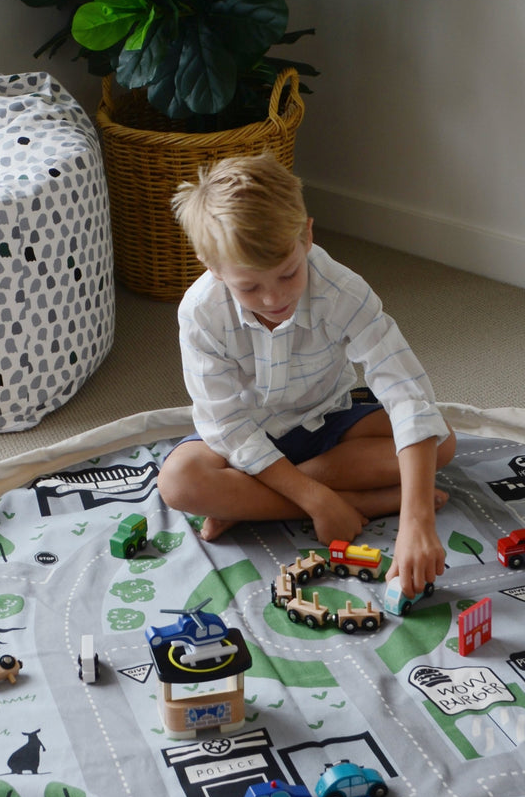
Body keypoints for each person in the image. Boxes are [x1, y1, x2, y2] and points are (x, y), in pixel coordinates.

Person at [157, 153, 456, 601]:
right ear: (212, 266)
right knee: (179, 482)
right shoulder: (201, 312)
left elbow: (404, 389)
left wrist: (416, 521)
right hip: (246, 443)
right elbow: (229, 427)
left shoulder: (342, 290)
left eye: (289, 273)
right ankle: (351, 501)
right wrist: (319, 500)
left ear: (307, 236)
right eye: (250, 287)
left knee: (442, 442)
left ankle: (253, 505)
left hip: (328, 421)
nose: (275, 297)